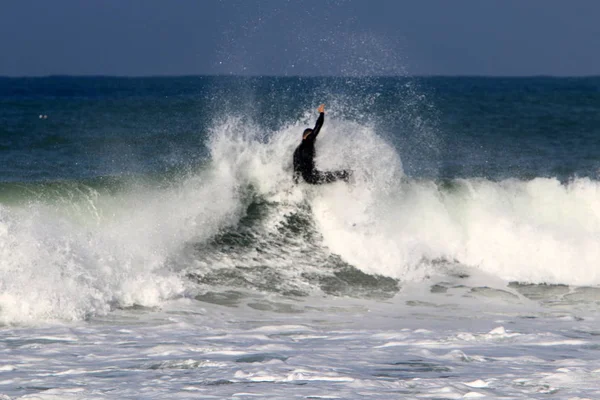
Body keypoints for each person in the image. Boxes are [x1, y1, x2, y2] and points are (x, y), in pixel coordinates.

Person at [293, 104, 351, 184]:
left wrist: (295, 184)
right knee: (344, 173)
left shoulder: (297, 151)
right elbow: (318, 126)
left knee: (335, 175)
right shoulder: (308, 141)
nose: (315, 139)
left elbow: (296, 171)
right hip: (314, 176)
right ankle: (351, 190)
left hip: (307, 179)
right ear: (307, 136)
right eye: (313, 136)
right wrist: (321, 113)